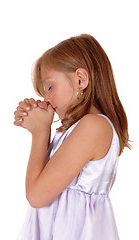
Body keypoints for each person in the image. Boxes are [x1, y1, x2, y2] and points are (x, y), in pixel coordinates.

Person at [13, 34, 131, 240]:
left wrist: (40, 132)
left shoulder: (94, 126)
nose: (46, 100)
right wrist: (42, 127)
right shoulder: (73, 130)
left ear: (80, 79)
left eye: (49, 87)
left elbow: (37, 196)